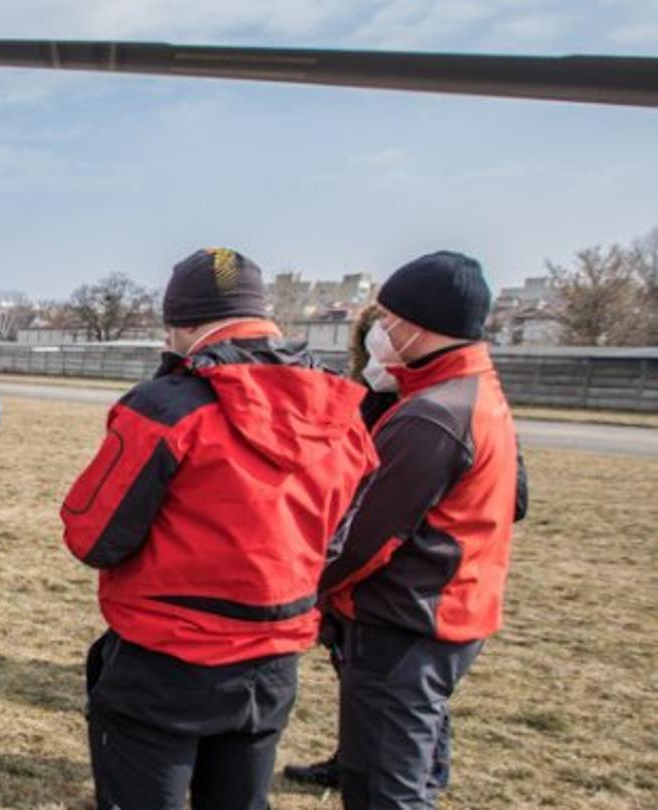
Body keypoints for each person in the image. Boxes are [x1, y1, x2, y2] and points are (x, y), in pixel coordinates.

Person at [60, 248, 377, 809]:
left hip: (167, 656)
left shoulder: (168, 407)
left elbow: (94, 535)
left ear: (181, 324)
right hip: (272, 658)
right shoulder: (341, 412)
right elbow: (339, 534)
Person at [319, 251, 527, 809]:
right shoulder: (470, 391)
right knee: (408, 766)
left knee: (383, 785)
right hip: (441, 610)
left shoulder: (433, 415)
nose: (382, 331)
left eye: (389, 319)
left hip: (405, 619)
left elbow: (363, 537)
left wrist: (305, 591)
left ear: (420, 322)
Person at [284, 303, 401, 788]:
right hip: (349, 570)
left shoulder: (430, 412)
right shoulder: (364, 398)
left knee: (401, 704)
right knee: (360, 683)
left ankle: (397, 776)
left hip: (391, 574)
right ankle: (354, 760)